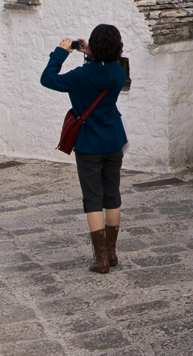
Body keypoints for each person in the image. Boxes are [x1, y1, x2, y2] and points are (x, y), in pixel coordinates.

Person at [41, 23, 128, 274]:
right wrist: (92, 55)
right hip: (114, 139)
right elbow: (105, 68)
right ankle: (111, 252)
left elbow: (48, 79)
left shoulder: (80, 76)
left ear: (94, 44)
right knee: (112, 195)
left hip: (89, 143)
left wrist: (61, 52)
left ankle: (100, 259)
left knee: (93, 199)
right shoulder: (118, 72)